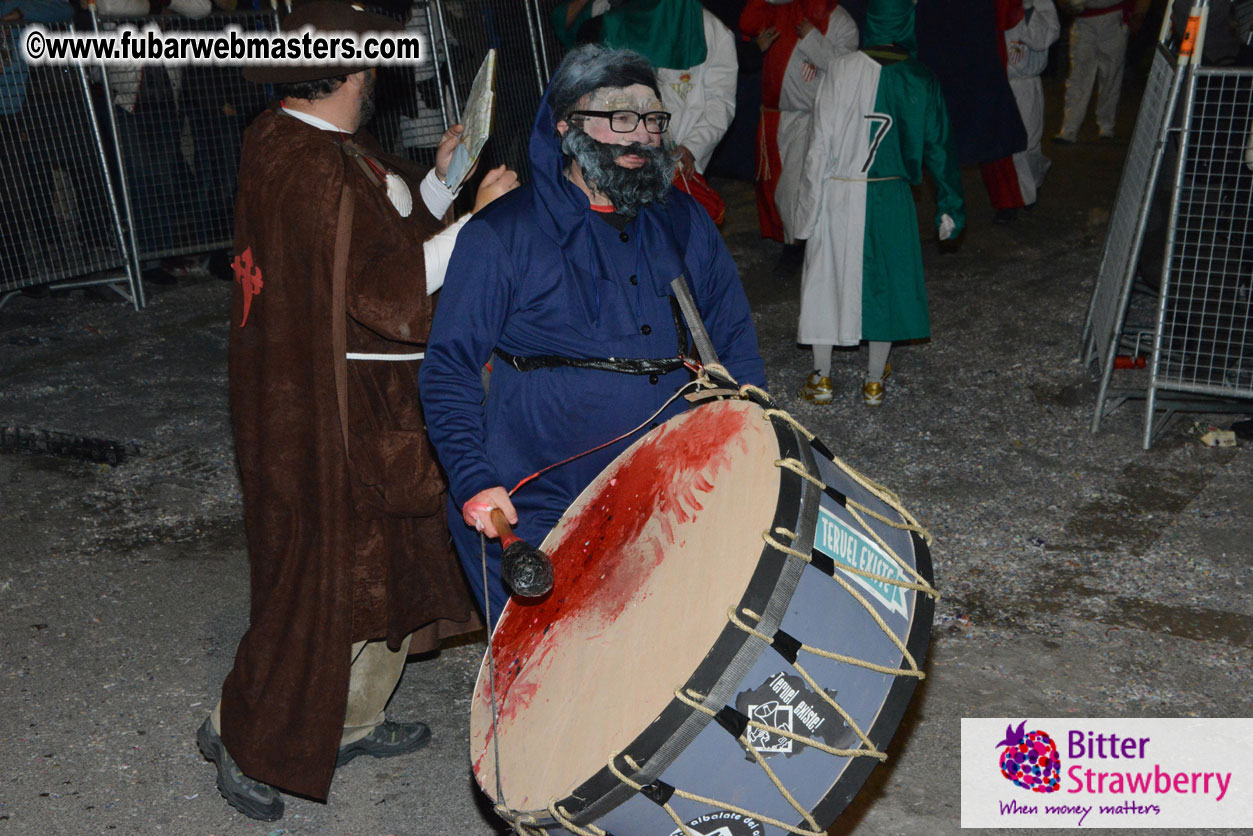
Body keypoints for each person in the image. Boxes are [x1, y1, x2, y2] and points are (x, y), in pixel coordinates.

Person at [196, 0, 518, 822]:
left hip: (356, 403)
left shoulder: (303, 138)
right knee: (320, 583)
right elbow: (386, 290)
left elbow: (376, 222)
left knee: (388, 568)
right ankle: (244, 735)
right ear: (356, 69)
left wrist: (441, 184)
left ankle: (352, 718)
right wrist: (474, 223)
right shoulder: (307, 163)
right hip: (327, 413)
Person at [418, 44, 766, 619]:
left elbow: (735, 344)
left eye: (652, 119)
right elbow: (449, 368)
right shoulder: (502, 235)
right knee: (557, 676)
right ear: (565, 126)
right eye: (619, 117)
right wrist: (475, 479)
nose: (641, 136)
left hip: (670, 489)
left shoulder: (684, 223)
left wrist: (753, 442)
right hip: (538, 499)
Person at [794, 0, 964, 407]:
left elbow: (819, 147)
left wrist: (806, 214)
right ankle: (873, 381)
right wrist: (950, 205)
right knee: (885, 284)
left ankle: (822, 378)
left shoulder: (842, 69)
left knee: (825, 280)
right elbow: (939, 147)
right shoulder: (920, 78)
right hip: (890, 194)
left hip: (838, 190)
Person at [552, 0, 738, 217]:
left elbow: (721, 101)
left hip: (677, 161)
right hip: (611, 166)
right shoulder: (605, 18)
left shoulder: (708, 30)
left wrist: (692, 148)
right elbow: (562, 23)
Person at [738, 0, 859, 242]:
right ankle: (794, 240)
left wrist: (813, 39)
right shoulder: (783, 10)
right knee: (777, 189)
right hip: (778, 117)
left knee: (792, 189)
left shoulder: (841, 21)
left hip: (814, 117)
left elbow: (848, 71)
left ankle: (798, 245)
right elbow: (748, 23)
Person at [1004, 0, 1061, 208]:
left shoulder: (1039, 4)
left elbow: (1045, 37)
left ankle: (1031, 185)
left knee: (1028, 142)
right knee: (1005, 146)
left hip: (1026, 82)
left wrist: (1024, 14)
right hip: (1000, 81)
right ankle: (1015, 197)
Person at [1054, 0, 1130, 143]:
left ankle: (1107, 125)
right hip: (1083, 21)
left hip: (1113, 19)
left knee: (1111, 76)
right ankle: (1069, 128)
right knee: (1078, 77)